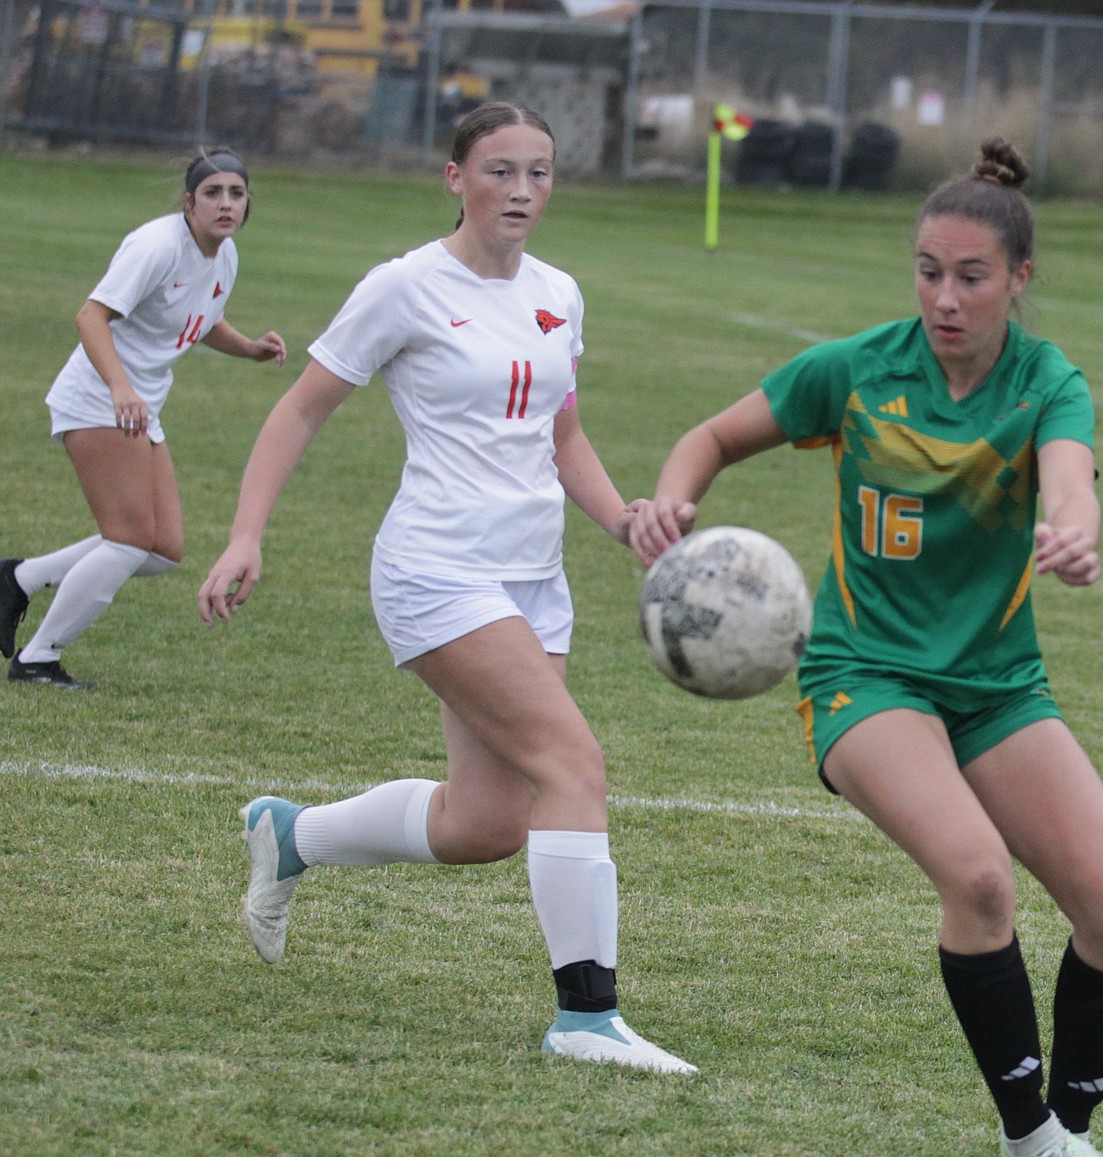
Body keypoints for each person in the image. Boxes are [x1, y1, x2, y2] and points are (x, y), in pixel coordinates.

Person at [629, 138, 1103, 1152]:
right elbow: (713, 435)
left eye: (970, 276)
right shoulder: (860, 369)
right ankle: (1032, 1135)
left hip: (998, 686)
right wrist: (675, 492)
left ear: (1018, 279)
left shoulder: (1049, 383)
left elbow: (1072, 473)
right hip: (865, 676)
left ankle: (1062, 1134)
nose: (944, 297)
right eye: (927, 270)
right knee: (979, 876)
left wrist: (1076, 526)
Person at [196, 103, 696, 1075]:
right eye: (500, 170)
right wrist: (245, 534)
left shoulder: (559, 291)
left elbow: (563, 436)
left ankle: (293, 833)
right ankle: (587, 1017)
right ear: (454, 176)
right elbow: (301, 410)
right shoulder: (405, 287)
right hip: (436, 567)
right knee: (573, 761)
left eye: (539, 173)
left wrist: (624, 520)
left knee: (487, 823)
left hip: (532, 578)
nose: (521, 191)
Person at [0, 147, 287, 689]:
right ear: (189, 201)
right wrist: (119, 387)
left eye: (236, 194)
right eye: (212, 193)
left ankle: (21, 577)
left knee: (162, 550)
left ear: (248, 204)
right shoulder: (157, 246)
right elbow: (91, 315)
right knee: (129, 540)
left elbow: (200, 321)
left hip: (138, 405)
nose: (225, 204)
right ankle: (38, 658)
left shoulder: (223, 255)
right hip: (98, 399)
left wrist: (248, 348)